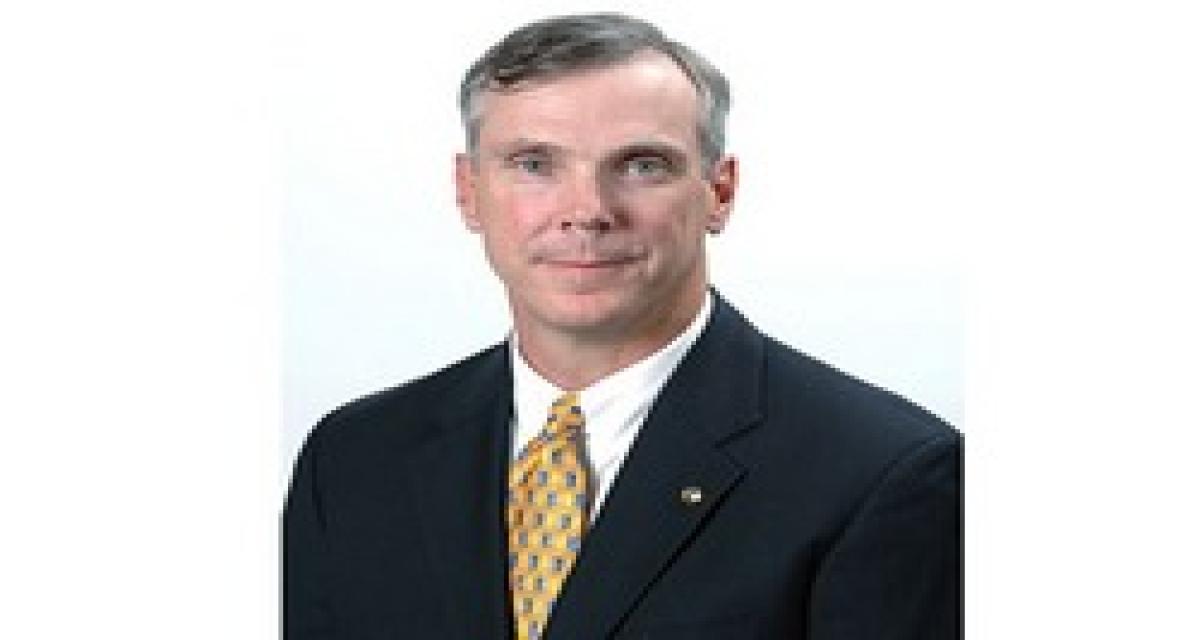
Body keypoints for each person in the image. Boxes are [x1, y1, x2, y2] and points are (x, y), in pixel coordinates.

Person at [285, 12, 961, 639]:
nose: (587, 211)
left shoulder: (884, 473)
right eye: (534, 165)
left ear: (719, 192)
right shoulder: (353, 460)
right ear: (468, 192)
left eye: (642, 166)